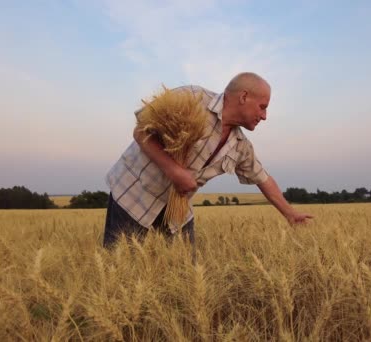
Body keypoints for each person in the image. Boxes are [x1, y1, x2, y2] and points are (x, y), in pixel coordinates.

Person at [103, 72, 313, 248]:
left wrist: (290, 214)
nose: (265, 115)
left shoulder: (240, 145)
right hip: (135, 194)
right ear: (244, 97)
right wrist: (174, 171)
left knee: (186, 271)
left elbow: (263, 179)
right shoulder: (192, 97)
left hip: (176, 206)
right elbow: (140, 131)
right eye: (262, 106)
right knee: (120, 266)